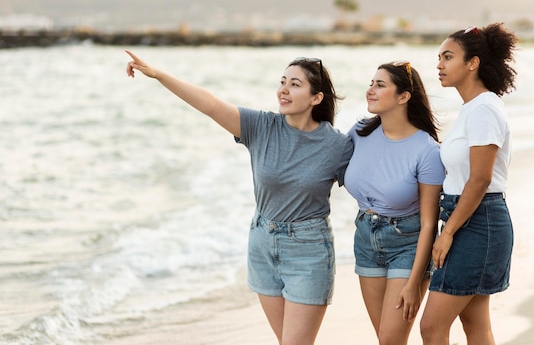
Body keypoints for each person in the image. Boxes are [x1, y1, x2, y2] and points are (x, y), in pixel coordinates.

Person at [125, 51, 353, 345]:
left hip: (308, 252)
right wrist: (158, 75)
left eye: (294, 84)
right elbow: (209, 104)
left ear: (316, 98)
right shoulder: (261, 127)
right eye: (282, 81)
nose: (283, 90)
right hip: (262, 244)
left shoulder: (337, 146)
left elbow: (373, 186)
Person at [419, 23, 517, 345]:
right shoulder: (473, 109)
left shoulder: (484, 109)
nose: (439, 65)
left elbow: (480, 179)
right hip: (471, 219)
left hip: (479, 222)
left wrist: (446, 233)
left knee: (432, 327)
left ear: (472, 63)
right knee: (476, 327)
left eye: (448, 57)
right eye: (439, 57)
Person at [343, 60, 445, 344]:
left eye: (380, 85)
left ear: (403, 96)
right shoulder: (359, 132)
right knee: (387, 340)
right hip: (365, 239)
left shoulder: (427, 151)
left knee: (390, 339)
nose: (370, 90)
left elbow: (429, 222)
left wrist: (414, 283)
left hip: (408, 243)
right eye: (371, 83)